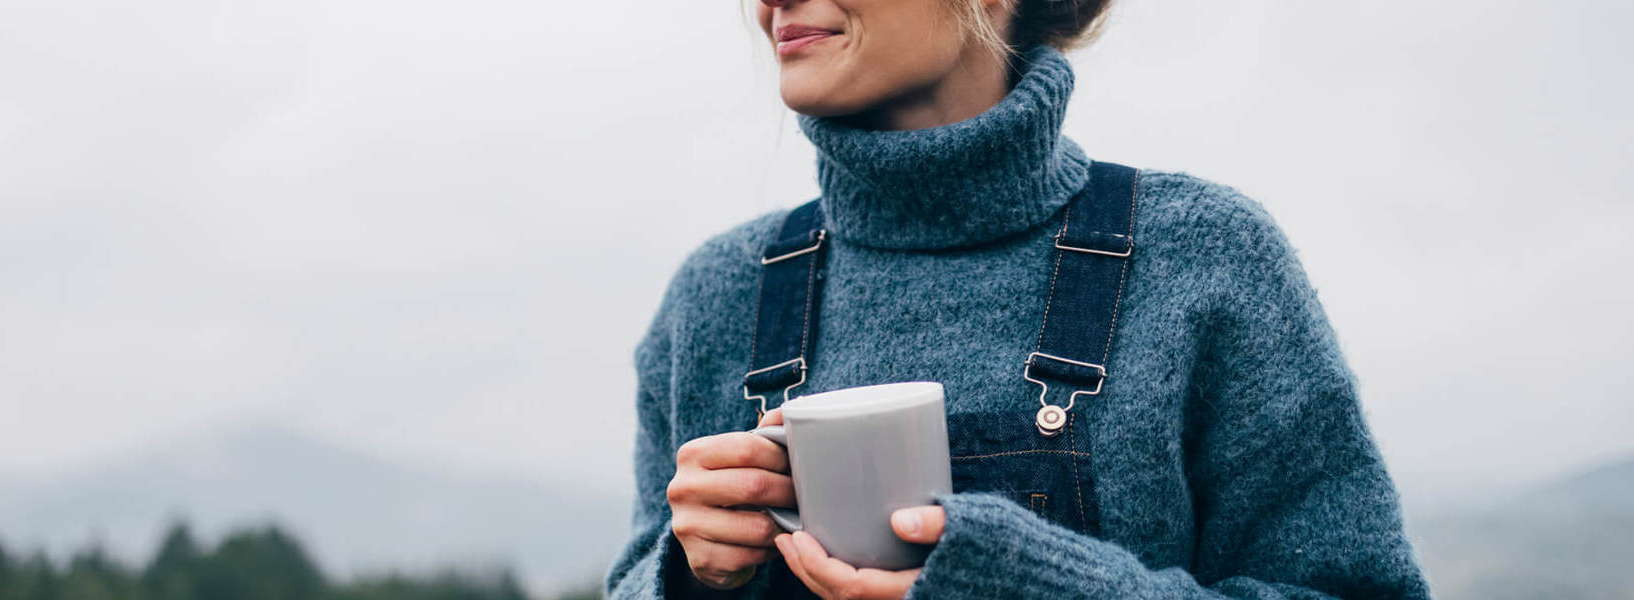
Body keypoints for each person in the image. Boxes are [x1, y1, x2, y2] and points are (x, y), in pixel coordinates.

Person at [605, 0, 1432, 598]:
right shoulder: (714, 297)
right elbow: (635, 579)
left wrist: (1038, 587)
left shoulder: (1206, 259)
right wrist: (682, 576)